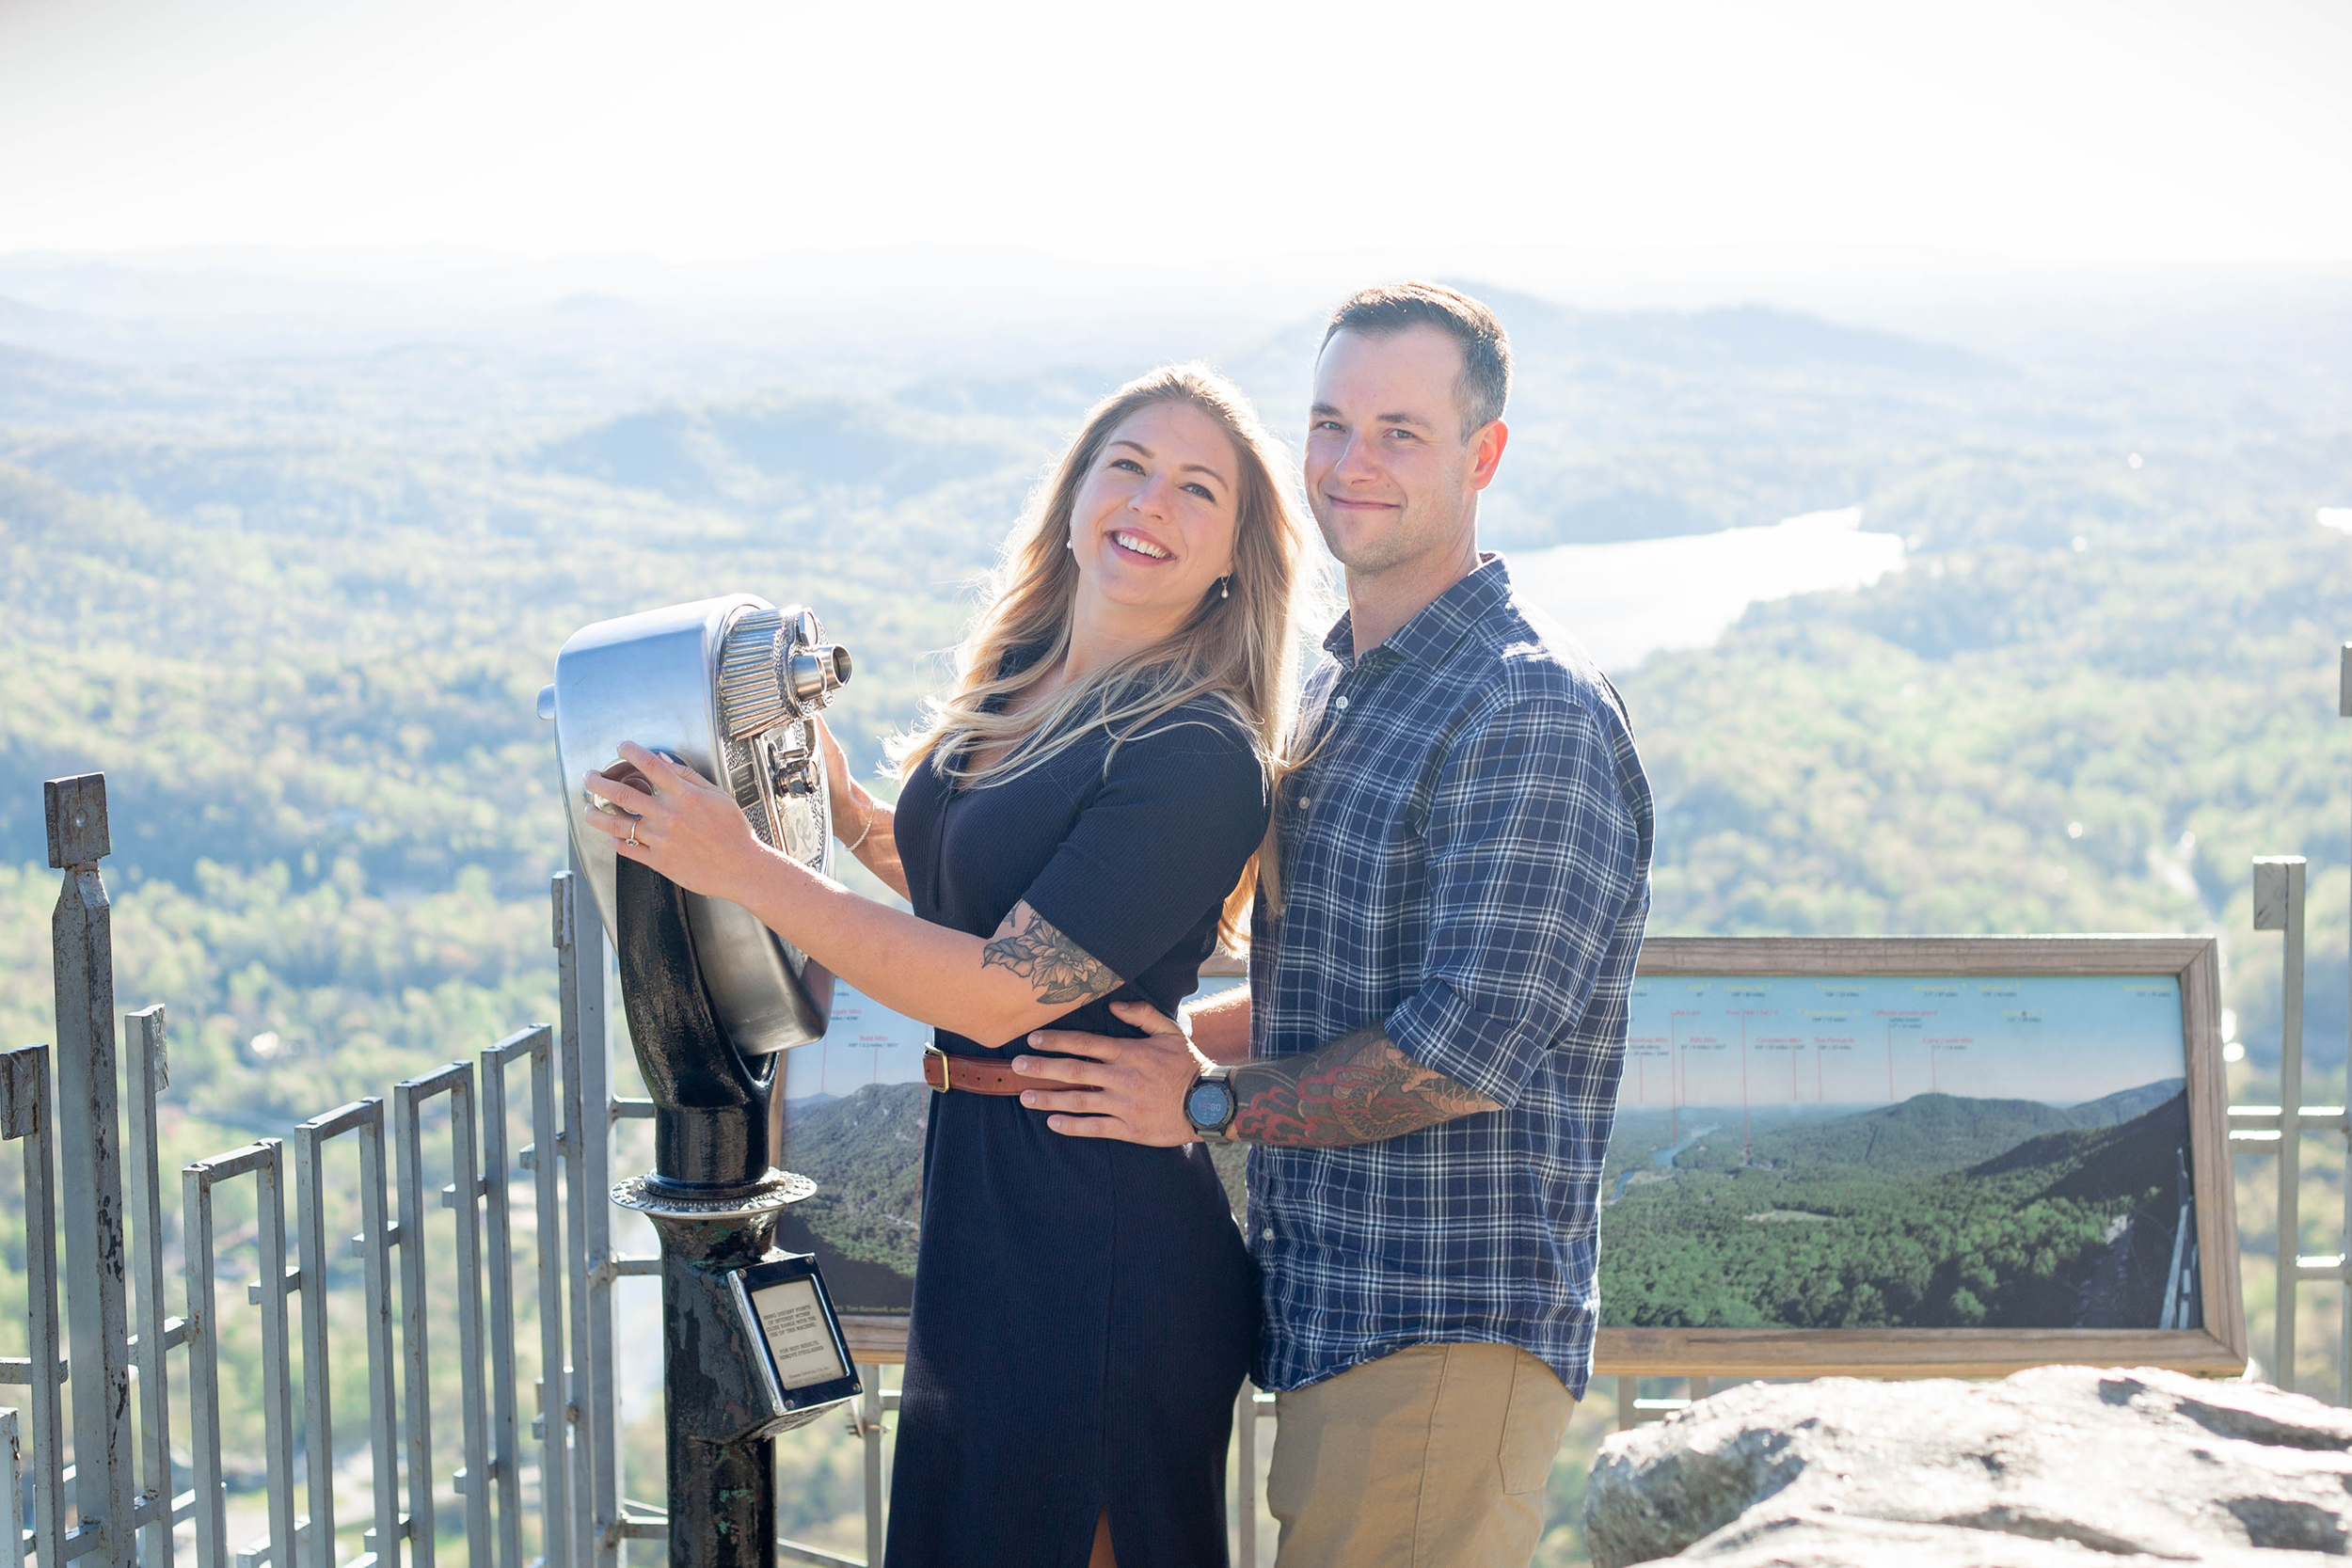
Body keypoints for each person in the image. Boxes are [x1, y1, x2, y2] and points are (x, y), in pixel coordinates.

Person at [580, 362, 1314, 1568]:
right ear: (1075, 494)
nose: (1150, 502)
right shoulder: (1027, 683)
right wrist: (847, 807)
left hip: (1102, 1232)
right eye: (1126, 465)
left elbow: (997, 986)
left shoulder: (1195, 751)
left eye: (1197, 489)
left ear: (1235, 553)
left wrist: (743, 870)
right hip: (991, 1206)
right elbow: (967, 905)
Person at [1015, 284, 1656, 1568]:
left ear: (1485, 456)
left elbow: (1459, 1052)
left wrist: (1201, 1105)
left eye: (1401, 433)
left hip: (1442, 1334)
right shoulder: (1340, 682)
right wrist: (1111, 1045)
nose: (1352, 464)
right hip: (1326, 1310)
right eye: (1330, 423)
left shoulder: (1526, 708)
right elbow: (1326, 981)